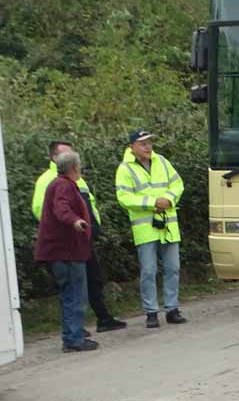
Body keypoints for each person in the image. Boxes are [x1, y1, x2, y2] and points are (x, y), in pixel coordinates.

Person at [32, 140, 127, 333]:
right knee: (74, 291)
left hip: (82, 239)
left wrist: (93, 226)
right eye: (66, 154)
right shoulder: (51, 181)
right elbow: (51, 209)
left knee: (91, 281)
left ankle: (99, 319)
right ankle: (75, 333)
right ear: (54, 158)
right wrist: (73, 223)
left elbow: (88, 205)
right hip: (67, 243)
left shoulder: (74, 180)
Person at [115, 130, 187, 328]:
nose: (148, 147)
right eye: (142, 143)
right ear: (132, 147)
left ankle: (172, 309)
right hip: (145, 228)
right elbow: (124, 198)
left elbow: (178, 184)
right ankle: (151, 312)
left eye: (149, 142)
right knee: (149, 271)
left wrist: (169, 199)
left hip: (168, 225)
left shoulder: (162, 161)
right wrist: (153, 203)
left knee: (173, 268)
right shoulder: (125, 169)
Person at [35, 151, 98, 353]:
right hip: (67, 251)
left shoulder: (57, 183)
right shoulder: (63, 185)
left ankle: (71, 336)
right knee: (75, 294)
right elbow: (61, 209)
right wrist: (76, 221)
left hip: (61, 251)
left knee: (68, 294)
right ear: (75, 167)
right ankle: (74, 338)